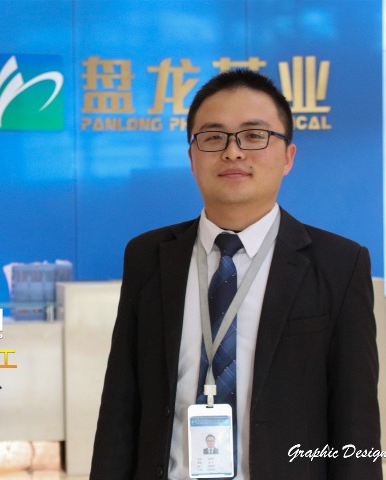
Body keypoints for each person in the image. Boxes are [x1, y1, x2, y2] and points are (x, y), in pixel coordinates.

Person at [90, 70, 381, 479]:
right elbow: (120, 406)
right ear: (192, 158)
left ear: (288, 157)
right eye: (213, 137)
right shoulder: (148, 257)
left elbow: (356, 423)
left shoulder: (340, 264)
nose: (232, 152)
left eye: (254, 135)